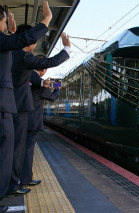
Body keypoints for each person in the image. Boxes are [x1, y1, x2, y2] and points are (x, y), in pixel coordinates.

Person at [0, 2, 52, 212]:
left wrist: (11, 32)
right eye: (3, 21)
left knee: (8, 150)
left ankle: (9, 188)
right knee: (7, 151)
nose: (5, 25)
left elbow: (11, 44)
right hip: (5, 105)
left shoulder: (7, 45)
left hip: (8, 105)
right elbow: (23, 40)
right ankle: (6, 192)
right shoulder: (19, 53)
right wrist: (46, 20)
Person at [8, 25, 71, 195]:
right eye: (33, 40)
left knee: (13, 148)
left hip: (12, 107)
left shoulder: (10, 54)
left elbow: (35, 81)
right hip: (20, 109)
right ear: (27, 40)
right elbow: (49, 62)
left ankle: (15, 182)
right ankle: (13, 185)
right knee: (18, 150)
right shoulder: (23, 57)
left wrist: (45, 83)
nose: (34, 44)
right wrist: (67, 48)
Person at [20, 56, 60, 186]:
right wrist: (57, 88)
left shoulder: (26, 75)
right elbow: (51, 97)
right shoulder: (38, 80)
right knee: (28, 151)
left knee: (20, 149)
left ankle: (19, 178)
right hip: (32, 121)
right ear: (44, 69)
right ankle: (25, 179)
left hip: (22, 119)